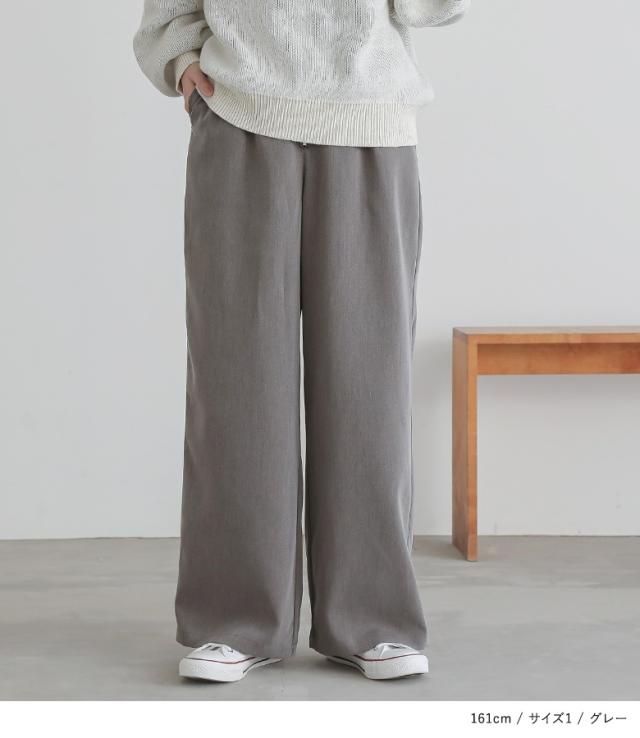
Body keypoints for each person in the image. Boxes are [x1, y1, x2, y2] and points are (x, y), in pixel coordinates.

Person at [133, 0, 469, 683]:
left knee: (369, 385)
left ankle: (373, 620)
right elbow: (169, 9)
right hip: (238, 114)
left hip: (371, 121)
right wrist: (182, 59)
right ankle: (233, 620)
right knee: (237, 382)